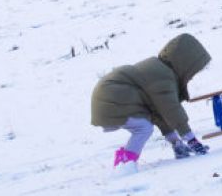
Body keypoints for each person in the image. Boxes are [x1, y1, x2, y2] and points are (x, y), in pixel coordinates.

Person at [90, 32, 213, 172]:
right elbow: (171, 110)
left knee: (143, 126)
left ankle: (125, 159)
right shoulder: (162, 76)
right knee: (143, 128)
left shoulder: (159, 70)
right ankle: (125, 163)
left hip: (111, 100)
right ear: (185, 63)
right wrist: (191, 140)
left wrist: (176, 142)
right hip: (112, 100)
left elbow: (159, 112)